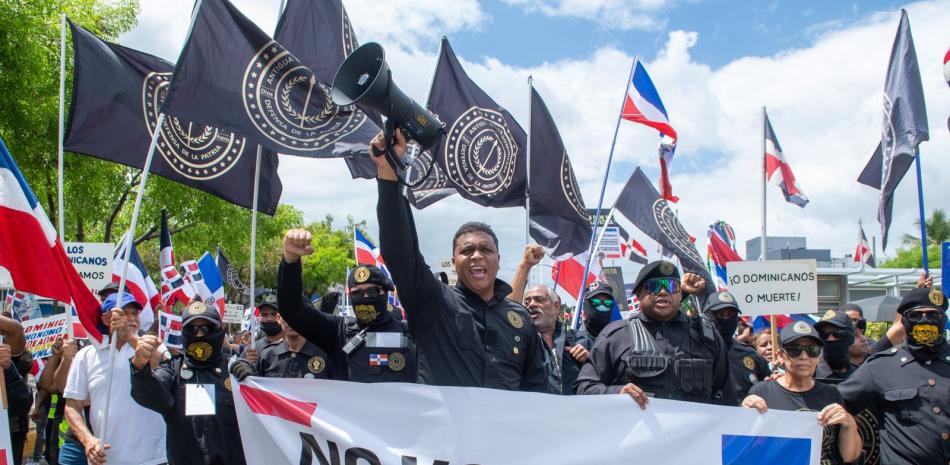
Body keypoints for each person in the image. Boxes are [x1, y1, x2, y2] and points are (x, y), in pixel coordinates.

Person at [370, 130, 547, 391]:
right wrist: (388, 172)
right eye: (467, 251)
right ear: (454, 261)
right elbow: (400, 252)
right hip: (444, 432)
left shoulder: (520, 318)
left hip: (504, 432)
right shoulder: (433, 302)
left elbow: (539, 391)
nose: (476, 255)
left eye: (485, 249)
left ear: (498, 259)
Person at [574, 260, 728, 407]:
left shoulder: (706, 335)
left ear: (680, 294)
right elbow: (584, 387)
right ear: (638, 294)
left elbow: (726, 391)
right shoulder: (616, 335)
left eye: (671, 286)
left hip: (696, 433)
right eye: (654, 286)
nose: (663, 292)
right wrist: (615, 393)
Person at [276, 232, 415, 383]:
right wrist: (290, 260)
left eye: (372, 291)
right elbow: (292, 311)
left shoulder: (413, 334)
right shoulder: (338, 332)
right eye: (357, 293)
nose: (365, 297)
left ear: (385, 293)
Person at [837, 287, 950, 465]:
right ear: (904, 322)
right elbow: (836, 402)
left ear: (943, 320)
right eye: (916, 316)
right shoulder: (881, 365)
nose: (924, 321)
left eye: (932, 316)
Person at [131, 300, 246, 465]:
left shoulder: (234, 368)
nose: (199, 334)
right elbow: (150, 394)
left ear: (219, 331)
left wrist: (249, 374)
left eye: (206, 328)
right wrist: (139, 366)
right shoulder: (173, 369)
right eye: (192, 329)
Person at [63, 292, 167, 465]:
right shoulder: (87, 355)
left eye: (135, 313)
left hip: (153, 458)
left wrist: (129, 336)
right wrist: (88, 440)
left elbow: (162, 364)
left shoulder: (153, 344)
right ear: (106, 319)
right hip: (106, 460)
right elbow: (72, 405)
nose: (131, 318)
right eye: (124, 313)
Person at [741, 321, 862, 465]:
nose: (804, 356)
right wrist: (744, 414)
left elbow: (850, 456)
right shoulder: (762, 392)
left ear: (818, 356)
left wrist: (848, 423)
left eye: (812, 350)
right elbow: (745, 450)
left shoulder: (831, 394)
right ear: (780, 355)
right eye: (795, 349)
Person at [705, 291, 770, 405]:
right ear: (708, 316)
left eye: (730, 315)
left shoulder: (751, 355)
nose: (726, 319)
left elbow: (769, 390)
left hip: (743, 421)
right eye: (720, 315)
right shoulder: (695, 351)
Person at [523, 285, 587, 395]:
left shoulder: (581, 340)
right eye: (526, 302)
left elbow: (602, 376)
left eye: (539, 299)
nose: (531, 304)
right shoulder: (520, 344)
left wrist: (589, 360)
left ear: (556, 306)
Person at [232, 314, 335, 380]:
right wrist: (243, 366)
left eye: (297, 315)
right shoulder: (267, 355)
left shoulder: (324, 355)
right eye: (286, 315)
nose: (291, 322)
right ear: (278, 319)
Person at [243, 293, 284, 366]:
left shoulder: (294, 346)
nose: (269, 319)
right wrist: (245, 363)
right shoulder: (252, 349)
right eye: (264, 315)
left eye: (274, 314)